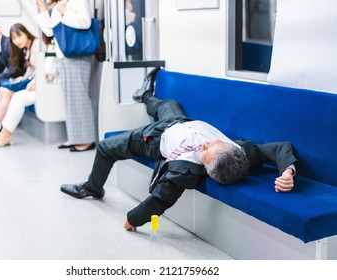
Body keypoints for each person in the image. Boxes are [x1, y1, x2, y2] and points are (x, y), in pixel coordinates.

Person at [60, 68, 298, 231]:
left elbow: (160, 199)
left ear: (205, 167)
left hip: (155, 137)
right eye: (215, 143)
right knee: (169, 104)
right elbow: (279, 148)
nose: (206, 144)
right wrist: (288, 172)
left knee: (104, 147)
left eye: (206, 152)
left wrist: (133, 219)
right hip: (182, 121)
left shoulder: (185, 171)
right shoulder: (244, 152)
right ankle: (144, 95)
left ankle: (92, 188)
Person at [36, 0, 96, 152]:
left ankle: (87, 139)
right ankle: (76, 137)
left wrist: (65, 13)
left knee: (79, 97)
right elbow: (51, 31)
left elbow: (85, 22)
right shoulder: (60, 4)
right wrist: (43, 9)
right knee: (71, 99)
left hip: (77, 54)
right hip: (65, 55)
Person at [0, 23, 39, 141]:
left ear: (26, 33)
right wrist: (24, 77)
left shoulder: (35, 46)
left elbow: (39, 68)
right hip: (27, 79)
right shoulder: (26, 49)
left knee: (3, 90)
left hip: (33, 81)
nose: (17, 41)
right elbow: (30, 69)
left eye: (19, 36)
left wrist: (30, 79)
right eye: (14, 38)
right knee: (0, 88)